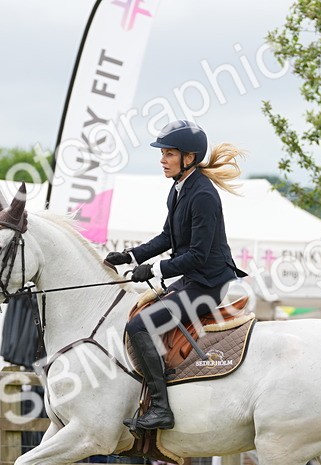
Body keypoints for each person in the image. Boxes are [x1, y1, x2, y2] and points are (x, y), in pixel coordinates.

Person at [104, 120, 246, 431]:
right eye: (163, 153)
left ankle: (160, 408)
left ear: (189, 157)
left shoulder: (204, 196)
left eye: (169, 154)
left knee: (140, 325)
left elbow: (196, 254)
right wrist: (131, 256)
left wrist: (153, 269)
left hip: (209, 284)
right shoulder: (180, 189)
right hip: (193, 279)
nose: (162, 159)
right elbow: (167, 236)